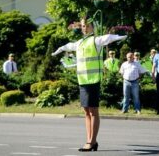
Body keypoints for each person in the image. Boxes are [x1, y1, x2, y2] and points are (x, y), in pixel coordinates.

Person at [51, 16, 126, 152]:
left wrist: (121, 36)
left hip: (93, 80)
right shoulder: (80, 42)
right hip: (83, 81)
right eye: (83, 26)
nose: (84, 28)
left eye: (86, 26)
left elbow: (108, 38)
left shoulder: (95, 40)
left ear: (92, 27)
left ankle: (90, 141)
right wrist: (59, 49)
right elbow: (69, 46)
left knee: (93, 111)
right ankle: (91, 140)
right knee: (86, 111)